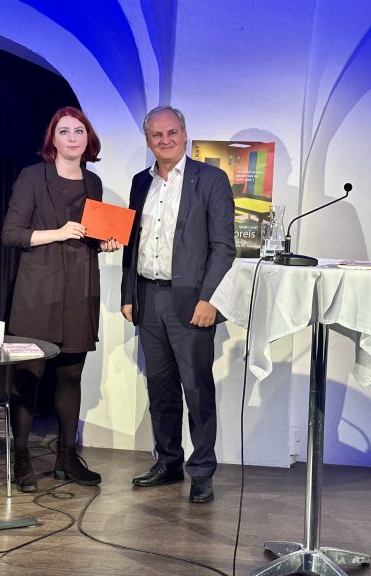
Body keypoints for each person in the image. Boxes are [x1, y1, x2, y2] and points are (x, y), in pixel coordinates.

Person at [120, 105, 235, 503]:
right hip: (148, 297)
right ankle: (168, 462)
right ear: (148, 140)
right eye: (156, 135)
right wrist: (127, 295)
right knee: (160, 388)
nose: (164, 140)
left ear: (185, 134)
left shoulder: (212, 179)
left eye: (171, 133)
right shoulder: (140, 182)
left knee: (197, 389)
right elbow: (131, 244)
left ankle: (202, 471)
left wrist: (210, 299)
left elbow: (224, 248)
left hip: (192, 302)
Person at [2, 106, 120, 492]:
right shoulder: (33, 178)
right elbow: (12, 234)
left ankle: (67, 458)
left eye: (79, 131)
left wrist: (105, 244)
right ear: (52, 139)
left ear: (89, 139)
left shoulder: (93, 183)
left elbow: (90, 235)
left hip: (79, 291)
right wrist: (56, 232)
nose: (72, 138)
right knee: (28, 378)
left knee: (71, 376)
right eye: (65, 131)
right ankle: (20, 459)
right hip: (38, 294)